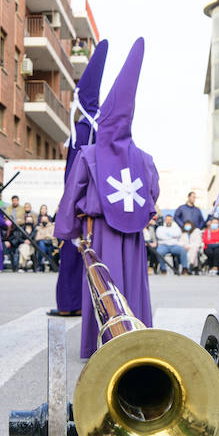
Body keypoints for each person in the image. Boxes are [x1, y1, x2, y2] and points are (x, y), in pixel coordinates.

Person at [55, 39, 160, 358]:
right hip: (133, 237)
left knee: (104, 287)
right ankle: (137, 344)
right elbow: (152, 194)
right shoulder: (144, 158)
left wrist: (68, 232)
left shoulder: (89, 154)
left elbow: (73, 194)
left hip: (99, 232)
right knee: (133, 287)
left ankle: (102, 345)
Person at [50, 39, 109, 317]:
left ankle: (70, 303)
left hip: (79, 203)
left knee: (72, 254)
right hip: (95, 205)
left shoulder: (84, 129)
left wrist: (68, 206)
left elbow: (75, 171)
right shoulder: (100, 127)